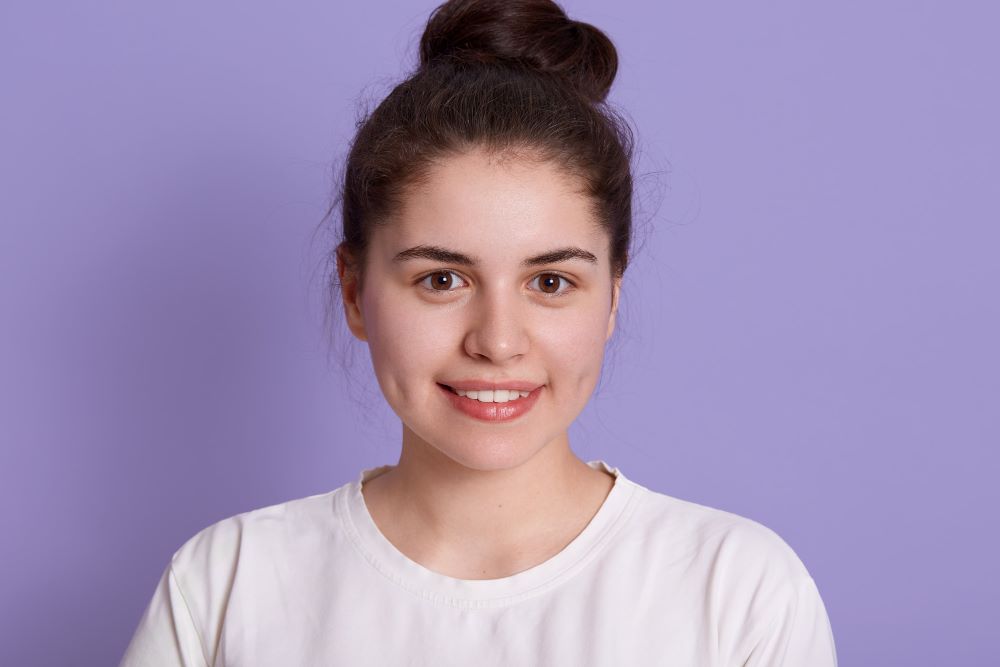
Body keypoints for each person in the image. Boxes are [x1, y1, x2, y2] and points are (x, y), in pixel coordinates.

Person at [121, 0, 837, 664]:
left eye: (550, 282)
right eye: (442, 280)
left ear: (612, 298)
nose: (497, 342)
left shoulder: (738, 593)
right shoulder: (225, 585)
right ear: (355, 291)